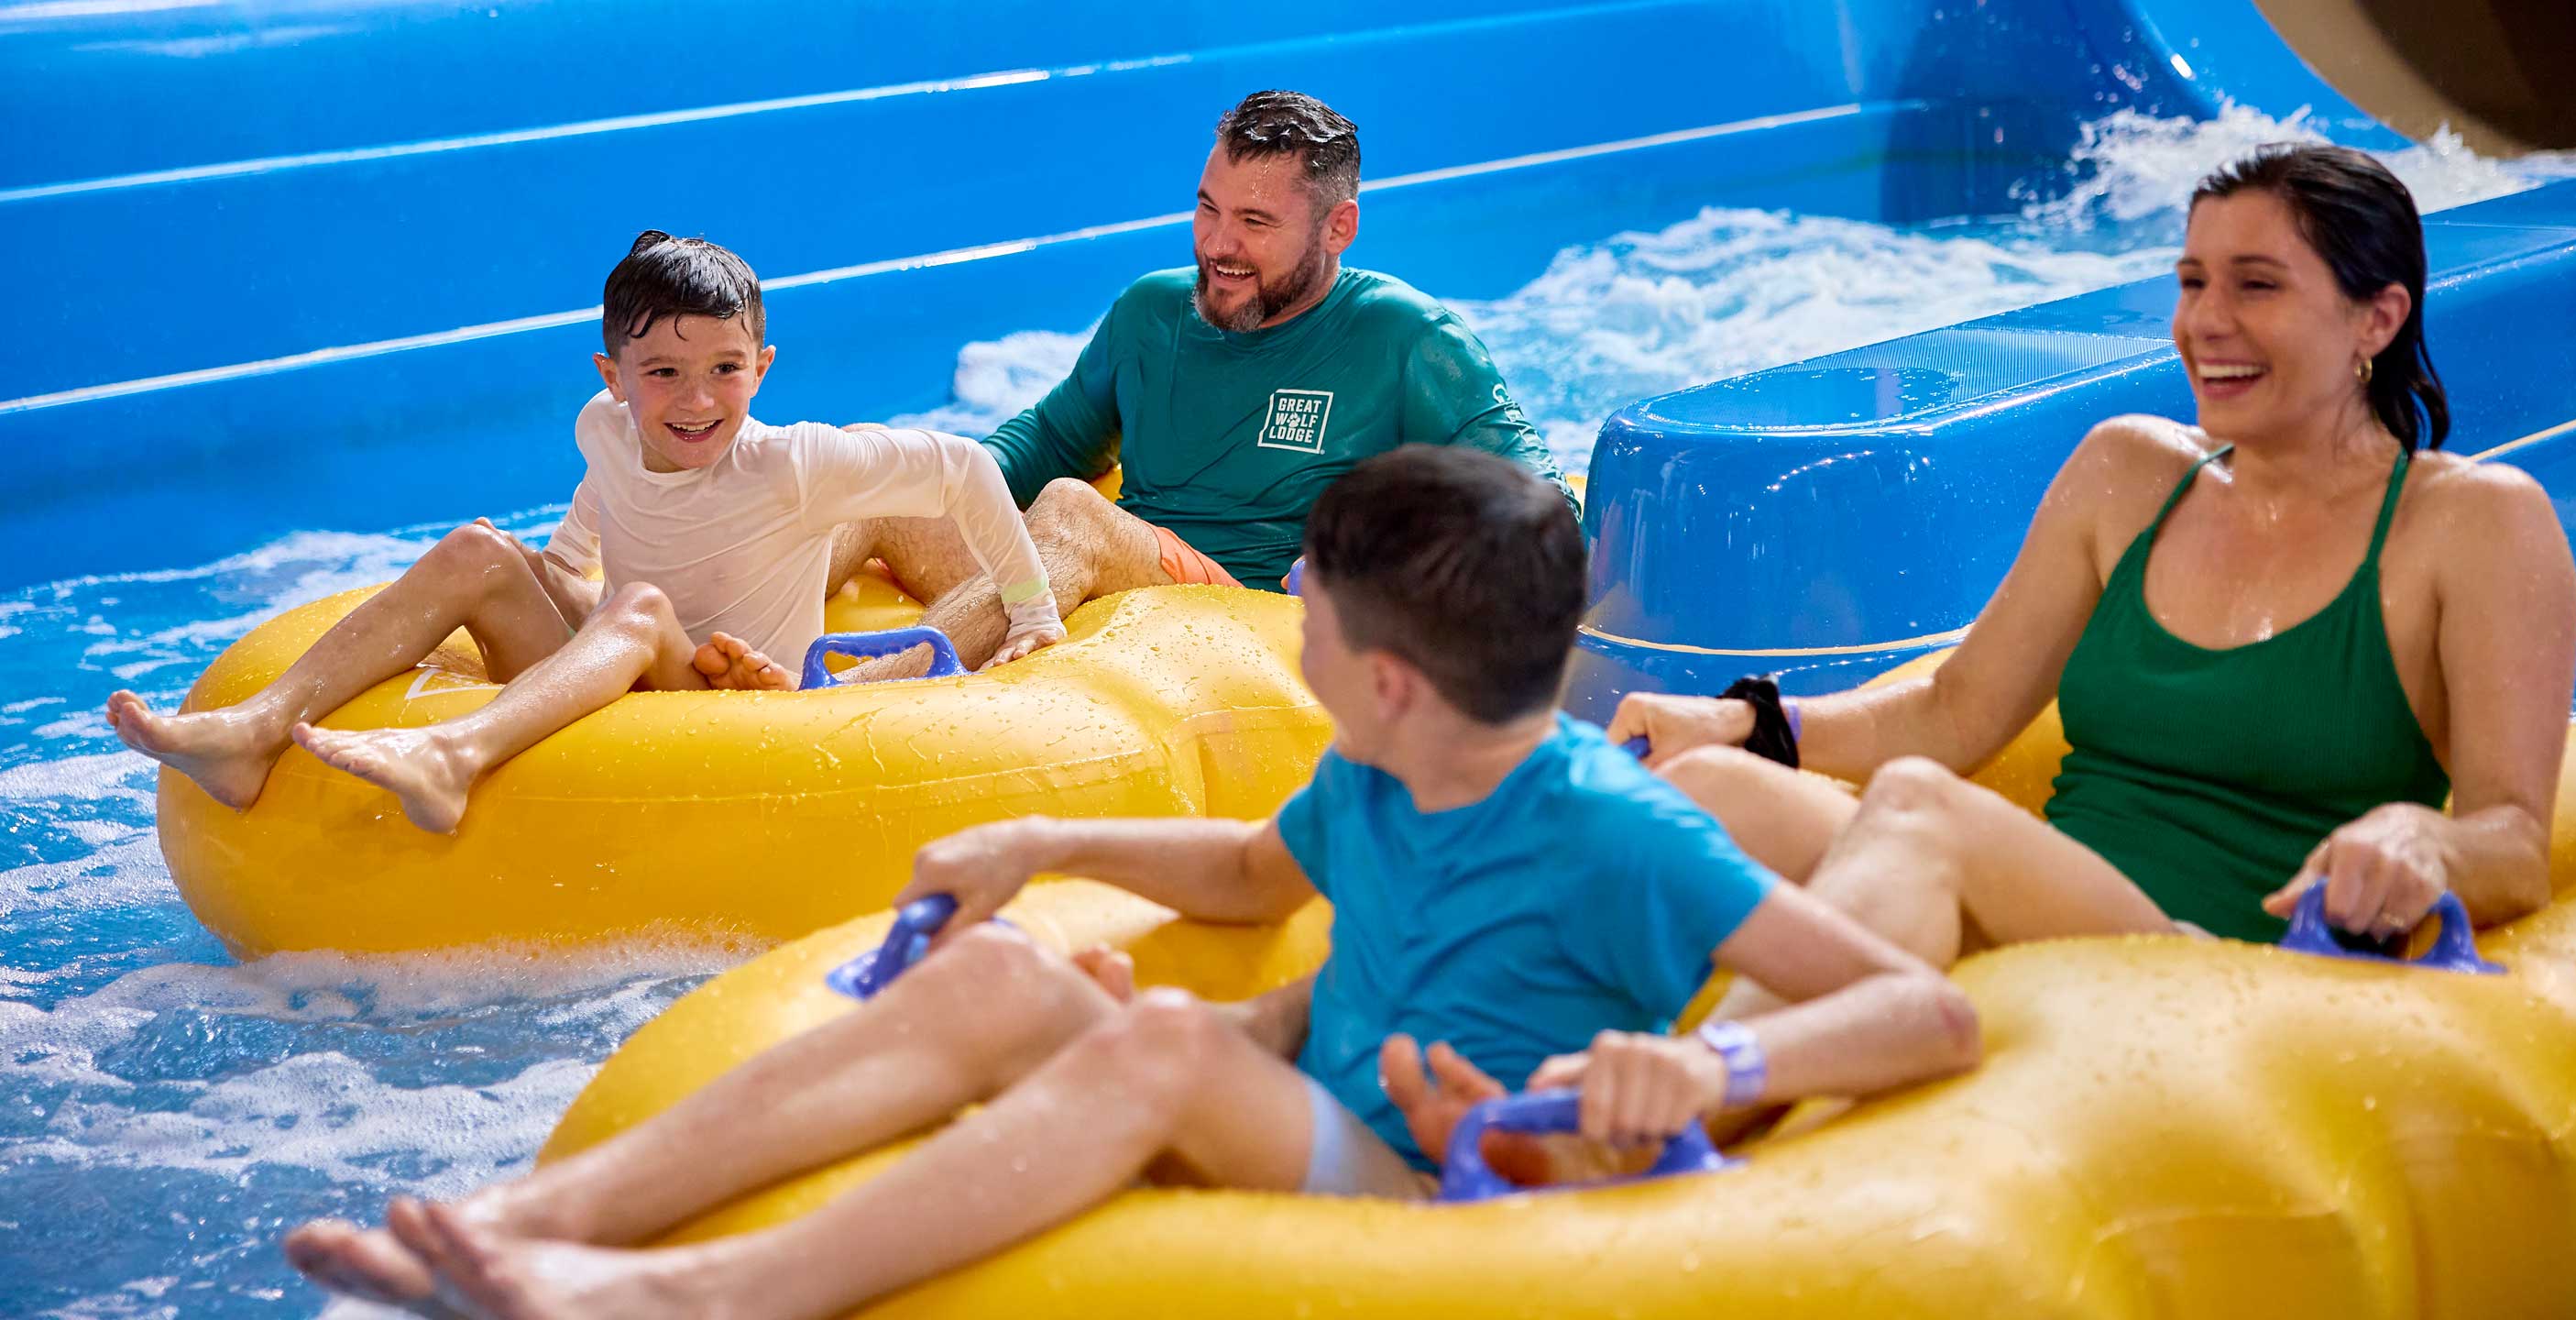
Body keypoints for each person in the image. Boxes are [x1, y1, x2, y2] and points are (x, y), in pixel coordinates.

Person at [281, 446, 1977, 1318]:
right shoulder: (1379, 771)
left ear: (1388, 673)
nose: (1288, 611)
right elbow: (1249, 876)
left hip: (1446, 1182)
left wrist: (1717, 1063)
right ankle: (526, 1222)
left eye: (1310, 597)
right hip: (1325, 1092)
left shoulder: (1617, 827)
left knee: (1153, 1050)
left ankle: (697, 1298)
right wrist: (1041, 843)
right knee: (1016, 980)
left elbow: (1923, 1011)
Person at [1613, 143, 2576, 968]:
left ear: (2378, 317)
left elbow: (2516, 842)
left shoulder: (2473, 523)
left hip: (2223, 966)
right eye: (2193, 281)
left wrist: (2423, 837)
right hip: (2055, 913)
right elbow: (1951, 712)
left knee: (1920, 808)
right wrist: (1742, 722)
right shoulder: (2130, 473)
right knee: (1703, 792)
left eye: (2257, 285)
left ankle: (1692, 1101)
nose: (2206, 321)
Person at [104, 231, 1063, 833]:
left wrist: (1031, 612)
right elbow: (603, 504)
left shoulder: (794, 462)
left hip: (733, 701)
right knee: (480, 549)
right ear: (611, 375)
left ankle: (452, 755)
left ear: (762, 366)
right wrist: (551, 572)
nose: (697, 402)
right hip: (625, 667)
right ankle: (253, 729)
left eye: (726, 370)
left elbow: (968, 468)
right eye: (663, 376)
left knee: (641, 606)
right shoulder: (599, 426)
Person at [705, 89, 1576, 686]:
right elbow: (1035, 448)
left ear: (1338, 227)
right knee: (880, 453)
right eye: (1208, 208)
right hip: (1102, 588)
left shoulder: (1409, 340)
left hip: (1239, 617)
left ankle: (839, 704)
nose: (1217, 245)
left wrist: (1387, 570)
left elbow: (1540, 509)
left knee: (1074, 513)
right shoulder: (1152, 313)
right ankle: (710, 634)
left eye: (1256, 223)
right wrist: (905, 472)